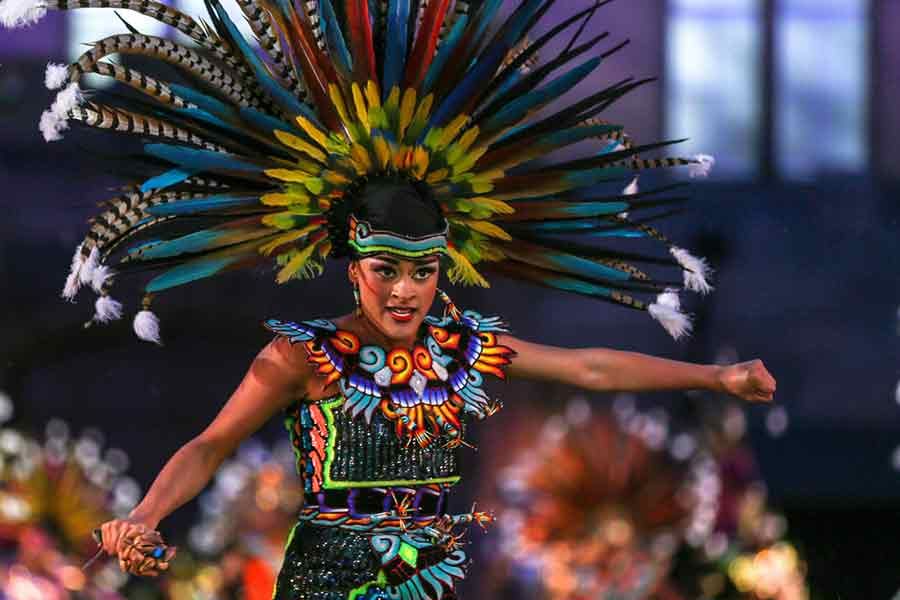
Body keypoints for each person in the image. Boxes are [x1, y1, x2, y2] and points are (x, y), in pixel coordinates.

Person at [0, 0, 775, 597]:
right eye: (386, 271)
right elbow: (210, 445)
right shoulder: (302, 356)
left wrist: (714, 379)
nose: (405, 291)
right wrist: (144, 517)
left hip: (426, 578)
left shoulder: (461, 348)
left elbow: (590, 369)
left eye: (423, 271)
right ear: (353, 270)